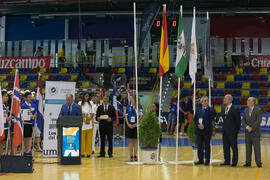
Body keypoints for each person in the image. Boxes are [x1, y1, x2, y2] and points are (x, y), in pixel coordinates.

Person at [194, 96, 216, 166]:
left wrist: (204, 125)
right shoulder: (198, 109)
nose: (206, 102)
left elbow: (211, 119)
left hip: (207, 130)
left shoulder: (211, 110)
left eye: (207, 100)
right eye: (204, 101)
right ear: (201, 102)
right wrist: (198, 125)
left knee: (207, 145)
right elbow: (195, 119)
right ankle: (200, 160)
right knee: (199, 145)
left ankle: (207, 160)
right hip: (199, 130)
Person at [220, 94, 241, 167]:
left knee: (234, 147)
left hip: (232, 132)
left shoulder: (235, 108)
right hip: (225, 132)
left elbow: (238, 122)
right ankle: (227, 161)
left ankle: (234, 162)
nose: (224, 100)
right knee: (225, 147)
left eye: (225, 99)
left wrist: (235, 131)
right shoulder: (223, 108)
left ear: (229, 99)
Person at [242, 97, 263, 168]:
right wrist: (247, 127)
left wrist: (252, 128)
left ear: (252, 102)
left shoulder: (258, 110)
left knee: (257, 148)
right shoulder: (245, 110)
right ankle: (248, 162)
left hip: (255, 132)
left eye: (248, 100)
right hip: (247, 132)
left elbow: (258, 121)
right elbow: (243, 121)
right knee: (248, 148)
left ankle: (258, 163)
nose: (247, 102)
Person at [125, 95, 143, 161]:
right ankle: (131, 155)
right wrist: (128, 124)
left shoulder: (139, 107)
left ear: (134, 99)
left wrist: (136, 124)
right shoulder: (128, 107)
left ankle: (135, 155)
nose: (130, 99)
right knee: (130, 141)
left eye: (131, 98)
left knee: (135, 141)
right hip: (129, 126)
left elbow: (141, 116)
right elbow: (126, 116)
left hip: (136, 126)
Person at [78, 92, 94, 158]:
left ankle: (88, 152)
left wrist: (89, 119)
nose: (86, 97)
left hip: (89, 122)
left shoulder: (91, 103)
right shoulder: (79, 103)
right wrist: (84, 118)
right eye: (85, 96)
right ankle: (82, 152)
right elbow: (79, 113)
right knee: (82, 138)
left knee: (89, 138)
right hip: (82, 121)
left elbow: (93, 113)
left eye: (87, 96)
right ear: (83, 96)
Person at [0, 90, 13, 155]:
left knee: (3, 143)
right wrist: (8, 119)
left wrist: (8, 120)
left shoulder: (4, 106)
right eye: (5, 96)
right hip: (1, 128)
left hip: (5, 127)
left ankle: (3, 156)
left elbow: (4, 117)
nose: (7, 97)